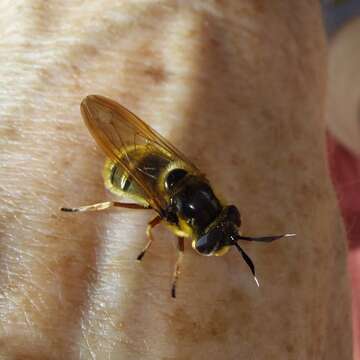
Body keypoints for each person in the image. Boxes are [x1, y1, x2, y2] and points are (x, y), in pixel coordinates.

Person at [0, 1, 352, 358]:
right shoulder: (176, 218)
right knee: (126, 207)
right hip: (128, 173)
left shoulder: (205, 197)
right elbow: (154, 226)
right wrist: (152, 251)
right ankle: (86, 208)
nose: (227, 235)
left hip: (158, 158)